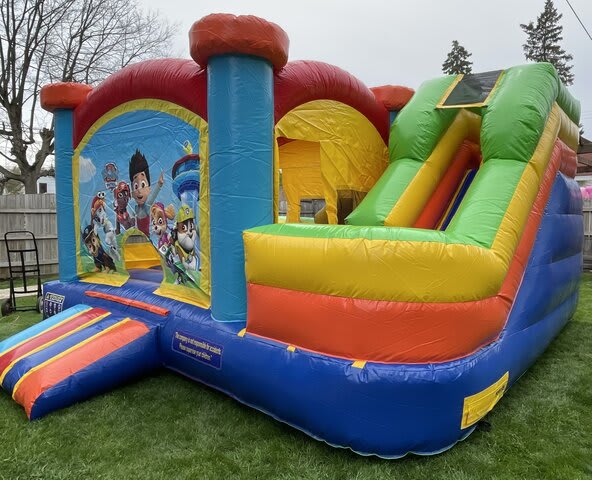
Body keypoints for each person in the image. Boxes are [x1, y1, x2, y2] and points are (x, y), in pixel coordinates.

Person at [128, 149, 164, 236]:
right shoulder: (135, 208)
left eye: (143, 185)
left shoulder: (147, 206)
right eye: (136, 186)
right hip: (138, 236)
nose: (139, 190)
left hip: (146, 237)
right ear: (132, 193)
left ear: (149, 189)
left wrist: (159, 184)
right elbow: (132, 217)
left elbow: (152, 197)